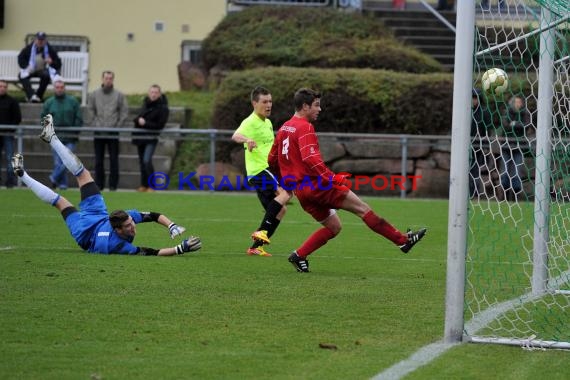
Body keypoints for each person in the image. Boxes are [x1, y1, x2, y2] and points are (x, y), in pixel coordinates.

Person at [268, 88, 427, 273]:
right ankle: (403, 242)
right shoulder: (305, 127)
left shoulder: (284, 128)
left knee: (333, 227)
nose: (320, 109)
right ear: (305, 106)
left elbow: (272, 159)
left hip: (302, 191)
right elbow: (310, 159)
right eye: (317, 105)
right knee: (363, 209)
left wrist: (284, 181)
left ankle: (299, 255)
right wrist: (332, 178)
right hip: (319, 186)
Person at [11, 114, 201, 256]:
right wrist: (180, 249)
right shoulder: (117, 245)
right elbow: (150, 252)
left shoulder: (125, 219)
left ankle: (24, 172)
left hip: (88, 227)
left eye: (131, 223)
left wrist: (171, 225)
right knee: (69, 189)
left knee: (64, 197)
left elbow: (153, 215)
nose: (133, 226)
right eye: (128, 226)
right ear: (118, 230)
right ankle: (49, 140)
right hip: (87, 234)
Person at [232, 86, 291, 257]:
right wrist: (247, 139)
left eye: (270, 101)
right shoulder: (250, 122)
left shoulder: (267, 122)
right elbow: (236, 135)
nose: (269, 105)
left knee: (281, 210)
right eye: (264, 102)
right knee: (285, 193)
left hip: (267, 170)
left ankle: (256, 247)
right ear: (254, 103)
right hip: (260, 170)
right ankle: (262, 231)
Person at [87, 70, 129, 191]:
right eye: (106, 78)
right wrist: (95, 124)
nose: (108, 80)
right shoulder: (94, 94)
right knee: (98, 161)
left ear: (113, 80)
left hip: (113, 133)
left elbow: (124, 111)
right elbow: (90, 110)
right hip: (99, 132)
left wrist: (118, 126)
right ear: (102, 79)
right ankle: (99, 184)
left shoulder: (119, 95)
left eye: (110, 78)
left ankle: (113, 185)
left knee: (114, 160)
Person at [41, 79, 83, 190]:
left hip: (70, 138)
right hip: (55, 138)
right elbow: (44, 118)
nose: (59, 89)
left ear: (64, 88)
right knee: (58, 162)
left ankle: (54, 178)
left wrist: (75, 132)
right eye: (57, 87)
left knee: (67, 161)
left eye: (61, 87)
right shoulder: (49, 102)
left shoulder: (73, 102)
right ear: (54, 88)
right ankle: (63, 185)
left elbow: (79, 119)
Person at [132, 84, 169, 192]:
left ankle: (152, 186)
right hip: (140, 137)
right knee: (142, 162)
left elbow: (160, 125)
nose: (153, 94)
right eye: (152, 92)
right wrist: (138, 121)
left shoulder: (163, 108)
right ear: (149, 93)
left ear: (159, 94)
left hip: (151, 137)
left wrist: (145, 123)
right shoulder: (145, 104)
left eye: (156, 92)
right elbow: (137, 118)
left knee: (147, 160)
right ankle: (143, 185)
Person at [499, 95, 532, 201]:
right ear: (512, 103)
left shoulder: (525, 113)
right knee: (504, 172)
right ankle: (504, 196)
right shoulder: (507, 113)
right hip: (506, 147)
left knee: (516, 173)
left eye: (520, 102)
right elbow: (505, 125)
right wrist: (517, 125)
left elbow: (526, 126)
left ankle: (514, 197)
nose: (518, 104)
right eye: (516, 102)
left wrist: (513, 124)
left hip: (519, 147)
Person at [17, 32, 62, 103]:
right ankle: (31, 95)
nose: (40, 42)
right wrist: (26, 66)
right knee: (21, 75)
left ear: (45, 41)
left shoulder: (50, 50)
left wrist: (51, 62)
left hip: (42, 70)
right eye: (39, 40)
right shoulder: (29, 48)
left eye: (42, 40)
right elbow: (20, 58)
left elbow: (58, 64)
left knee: (46, 76)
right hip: (30, 69)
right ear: (35, 40)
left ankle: (38, 96)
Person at [0, 79, 22, 188]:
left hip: (8, 134)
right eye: (0, 86)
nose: (2, 88)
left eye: (4, 86)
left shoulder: (12, 101)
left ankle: (10, 181)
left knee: (9, 158)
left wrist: (10, 130)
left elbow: (17, 117)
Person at [470, 88, 491, 198]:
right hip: (465, 146)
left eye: (475, 98)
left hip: (478, 147)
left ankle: (474, 193)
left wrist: (486, 146)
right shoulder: (464, 111)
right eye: (472, 98)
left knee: (475, 171)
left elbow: (488, 130)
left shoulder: (484, 112)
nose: (473, 100)